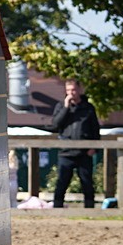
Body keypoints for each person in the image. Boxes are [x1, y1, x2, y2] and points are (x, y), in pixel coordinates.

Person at [49, 78, 100, 209]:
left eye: (73, 90)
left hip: (84, 152)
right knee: (61, 183)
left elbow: (95, 129)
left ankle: (90, 210)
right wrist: (66, 107)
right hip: (66, 152)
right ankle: (57, 208)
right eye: (68, 90)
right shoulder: (61, 106)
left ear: (79, 90)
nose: (71, 93)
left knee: (87, 182)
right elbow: (55, 125)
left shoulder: (88, 108)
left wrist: (94, 148)